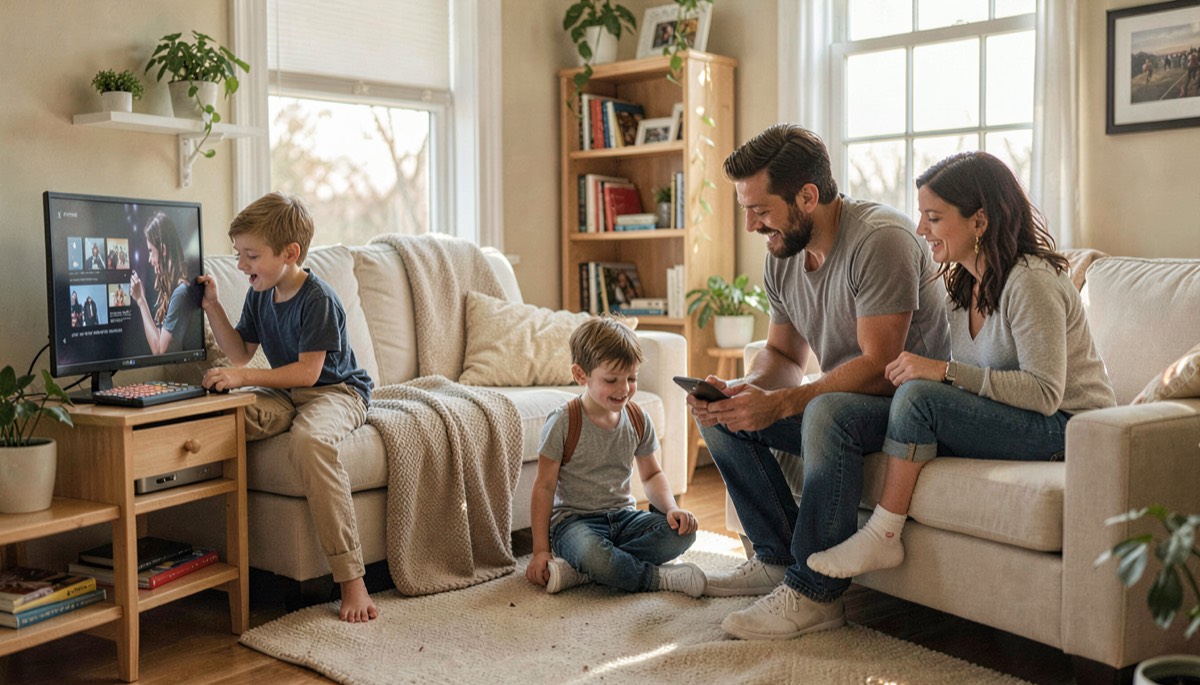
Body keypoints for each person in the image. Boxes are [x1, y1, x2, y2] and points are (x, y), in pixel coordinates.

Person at [687, 123, 950, 640]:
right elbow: (784, 353)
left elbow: (880, 364)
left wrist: (784, 403)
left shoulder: (881, 240)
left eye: (760, 210)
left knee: (827, 412)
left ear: (807, 196)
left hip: (909, 407)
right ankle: (775, 558)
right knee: (722, 412)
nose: (750, 225)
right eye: (746, 209)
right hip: (844, 400)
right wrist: (748, 391)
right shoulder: (783, 257)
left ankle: (816, 595)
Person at [806, 151, 1117, 579]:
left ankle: (883, 534)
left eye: (933, 218)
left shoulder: (1030, 281)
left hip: (1071, 428)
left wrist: (944, 373)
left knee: (919, 398)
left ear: (979, 221)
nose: (920, 230)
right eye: (921, 217)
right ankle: (794, 566)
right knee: (870, 408)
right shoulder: (962, 284)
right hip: (1022, 419)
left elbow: (1046, 394)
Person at [198, 192, 378, 623]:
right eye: (238, 254)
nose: (242, 265)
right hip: (287, 393)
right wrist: (213, 306)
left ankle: (352, 579)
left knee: (311, 441)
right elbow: (240, 353)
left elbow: (308, 374)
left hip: (336, 391)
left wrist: (242, 379)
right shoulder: (261, 294)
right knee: (222, 418)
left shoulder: (318, 298)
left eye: (251, 255)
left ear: (290, 253)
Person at [525, 316, 706, 598]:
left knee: (684, 533)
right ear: (581, 374)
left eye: (631, 378)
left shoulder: (636, 419)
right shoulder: (564, 422)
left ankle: (584, 571)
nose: (624, 389)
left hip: (624, 519)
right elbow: (544, 487)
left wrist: (671, 509)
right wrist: (540, 551)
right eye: (611, 380)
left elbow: (651, 474)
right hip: (575, 523)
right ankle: (655, 578)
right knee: (591, 552)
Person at [130, 212, 201, 354]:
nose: (150, 259)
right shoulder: (178, 289)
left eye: (151, 251)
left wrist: (140, 300)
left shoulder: (181, 293)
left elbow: (159, 352)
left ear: (162, 249)